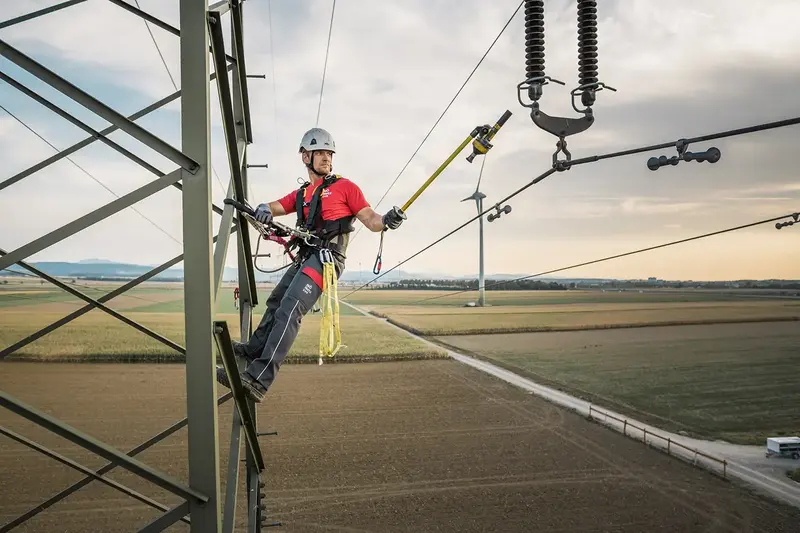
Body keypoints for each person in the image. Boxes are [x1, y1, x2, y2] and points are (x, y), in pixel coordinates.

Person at [217, 127, 406, 402]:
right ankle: (253, 349)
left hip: (328, 260)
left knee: (291, 308)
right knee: (276, 301)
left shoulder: (346, 188)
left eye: (329, 153)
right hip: (307, 256)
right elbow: (273, 206)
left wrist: (387, 220)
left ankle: (259, 379)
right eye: (320, 153)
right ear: (305, 157)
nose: (326, 158)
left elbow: (371, 219)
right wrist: (263, 210)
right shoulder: (303, 194)